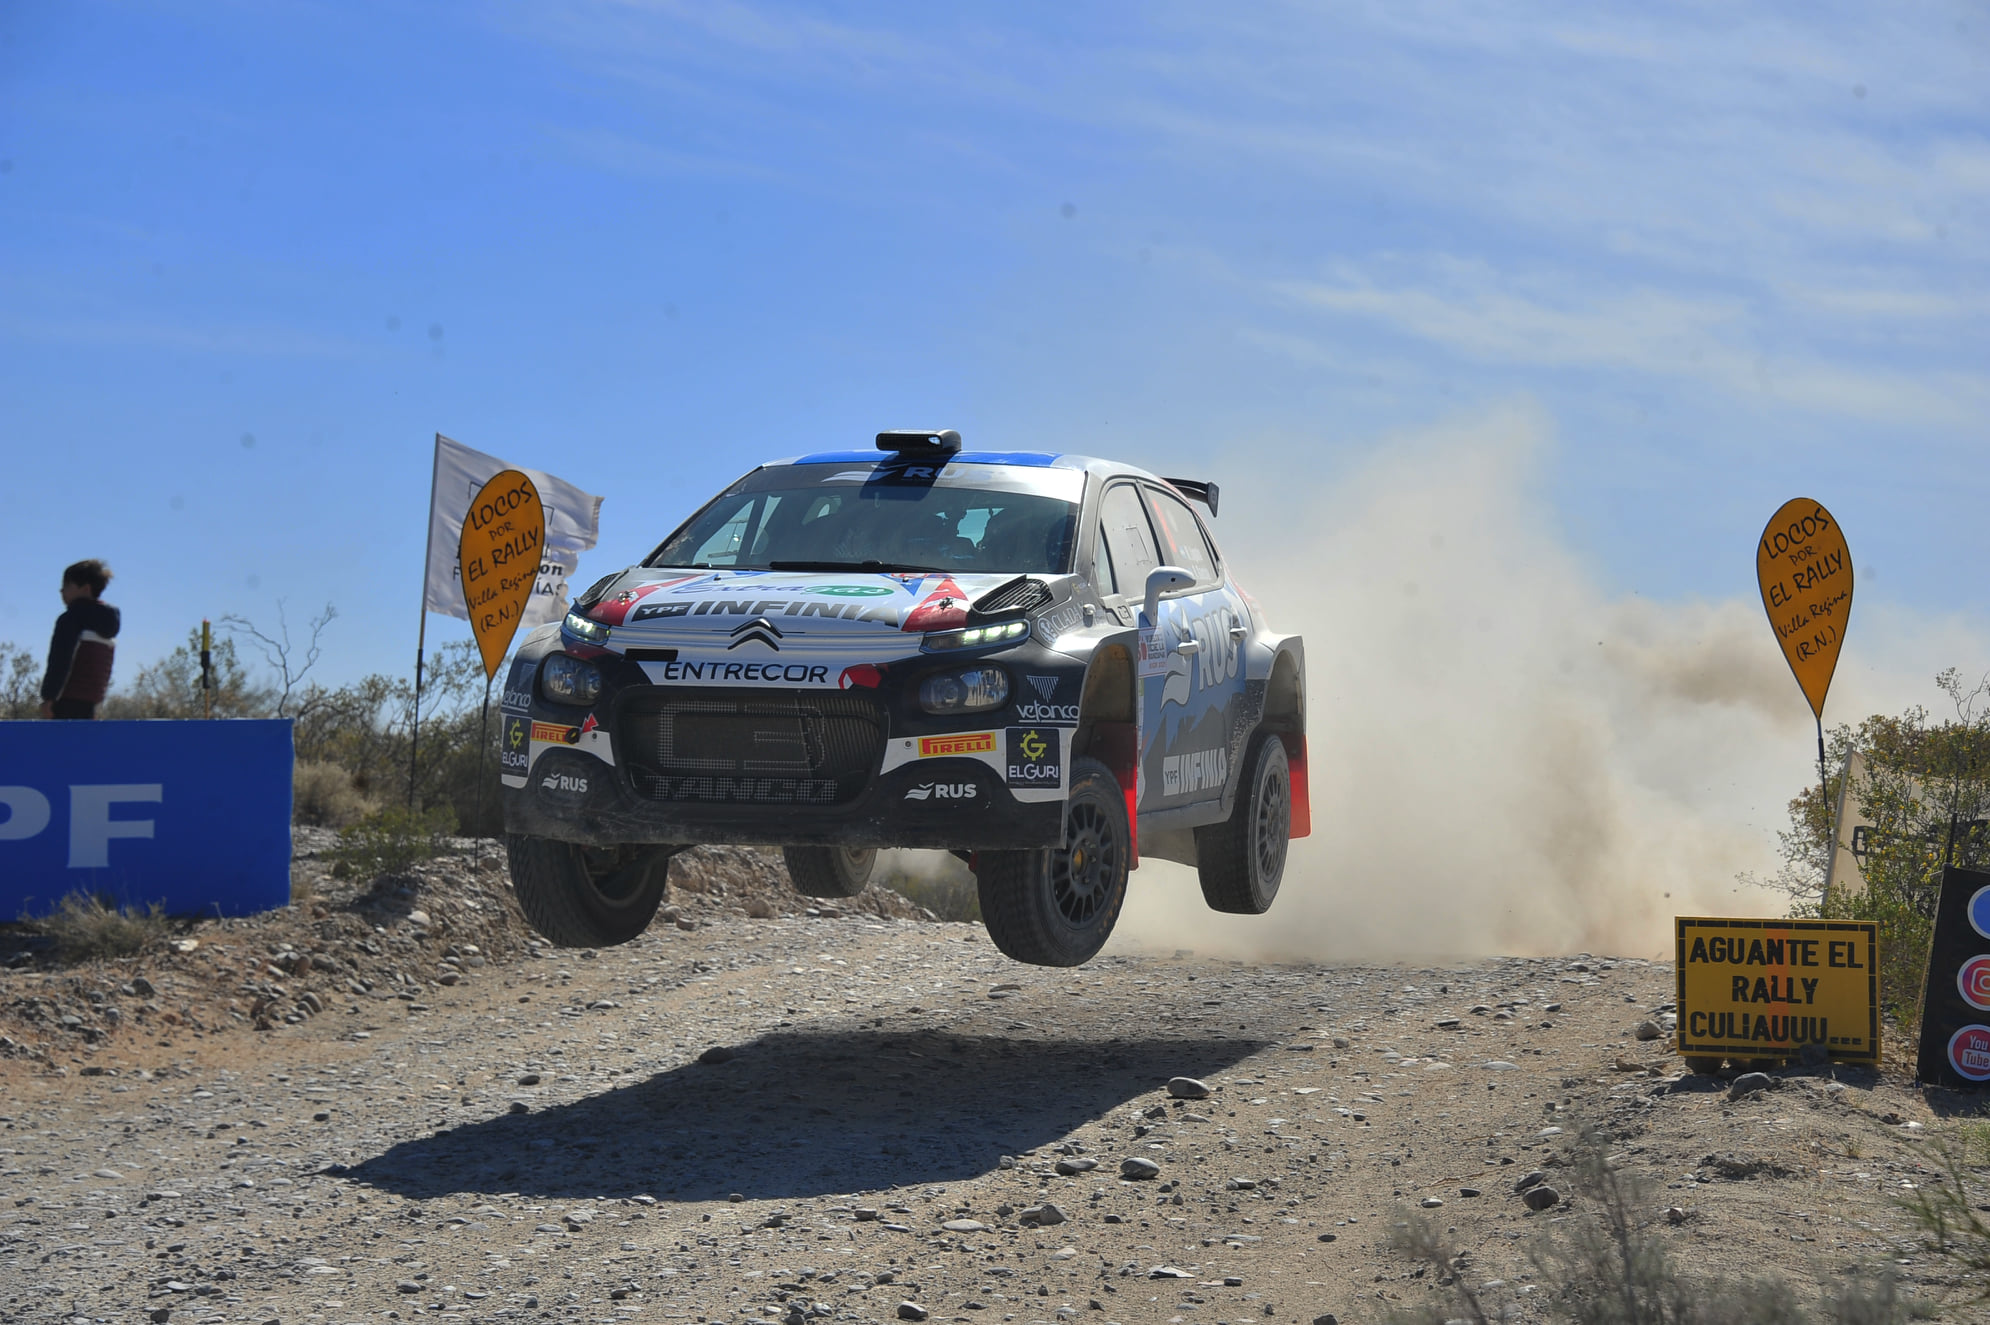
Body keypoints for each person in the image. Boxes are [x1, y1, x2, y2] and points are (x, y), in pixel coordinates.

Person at [40, 559, 120, 720]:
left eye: (67, 586)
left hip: (65, 702)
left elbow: (61, 659)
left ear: (85, 589)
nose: (61, 591)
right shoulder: (109, 623)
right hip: (91, 703)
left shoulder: (70, 619)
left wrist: (49, 697)